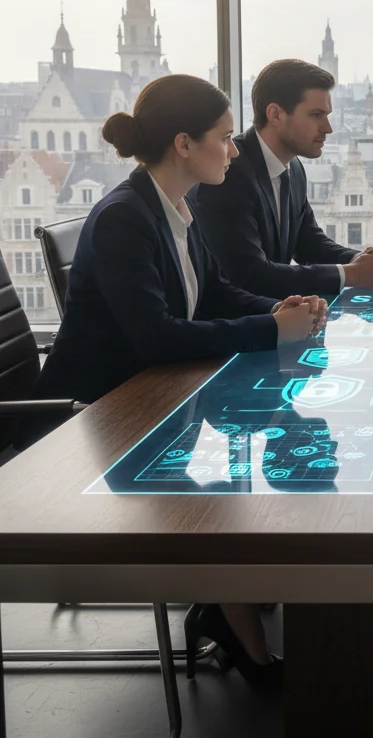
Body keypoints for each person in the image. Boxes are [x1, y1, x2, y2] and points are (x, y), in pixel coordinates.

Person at [34, 73, 328, 685]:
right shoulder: (123, 219)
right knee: (223, 502)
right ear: (184, 144)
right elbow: (157, 336)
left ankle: (229, 599)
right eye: (226, 137)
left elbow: (214, 292)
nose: (236, 148)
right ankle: (235, 620)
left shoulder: (172, 206)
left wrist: (279, 312)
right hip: (87, 421)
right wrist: (272, 332)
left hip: (149, 400)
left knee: (270, 454)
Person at [191, 59, 373, 298]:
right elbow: (249, 275)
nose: (328, 128)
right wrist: (350, 274)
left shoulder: (294, 167)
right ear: (275, 114)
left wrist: (362, 260)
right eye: (316, 115)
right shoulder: (229, 174)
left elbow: (308, 243)